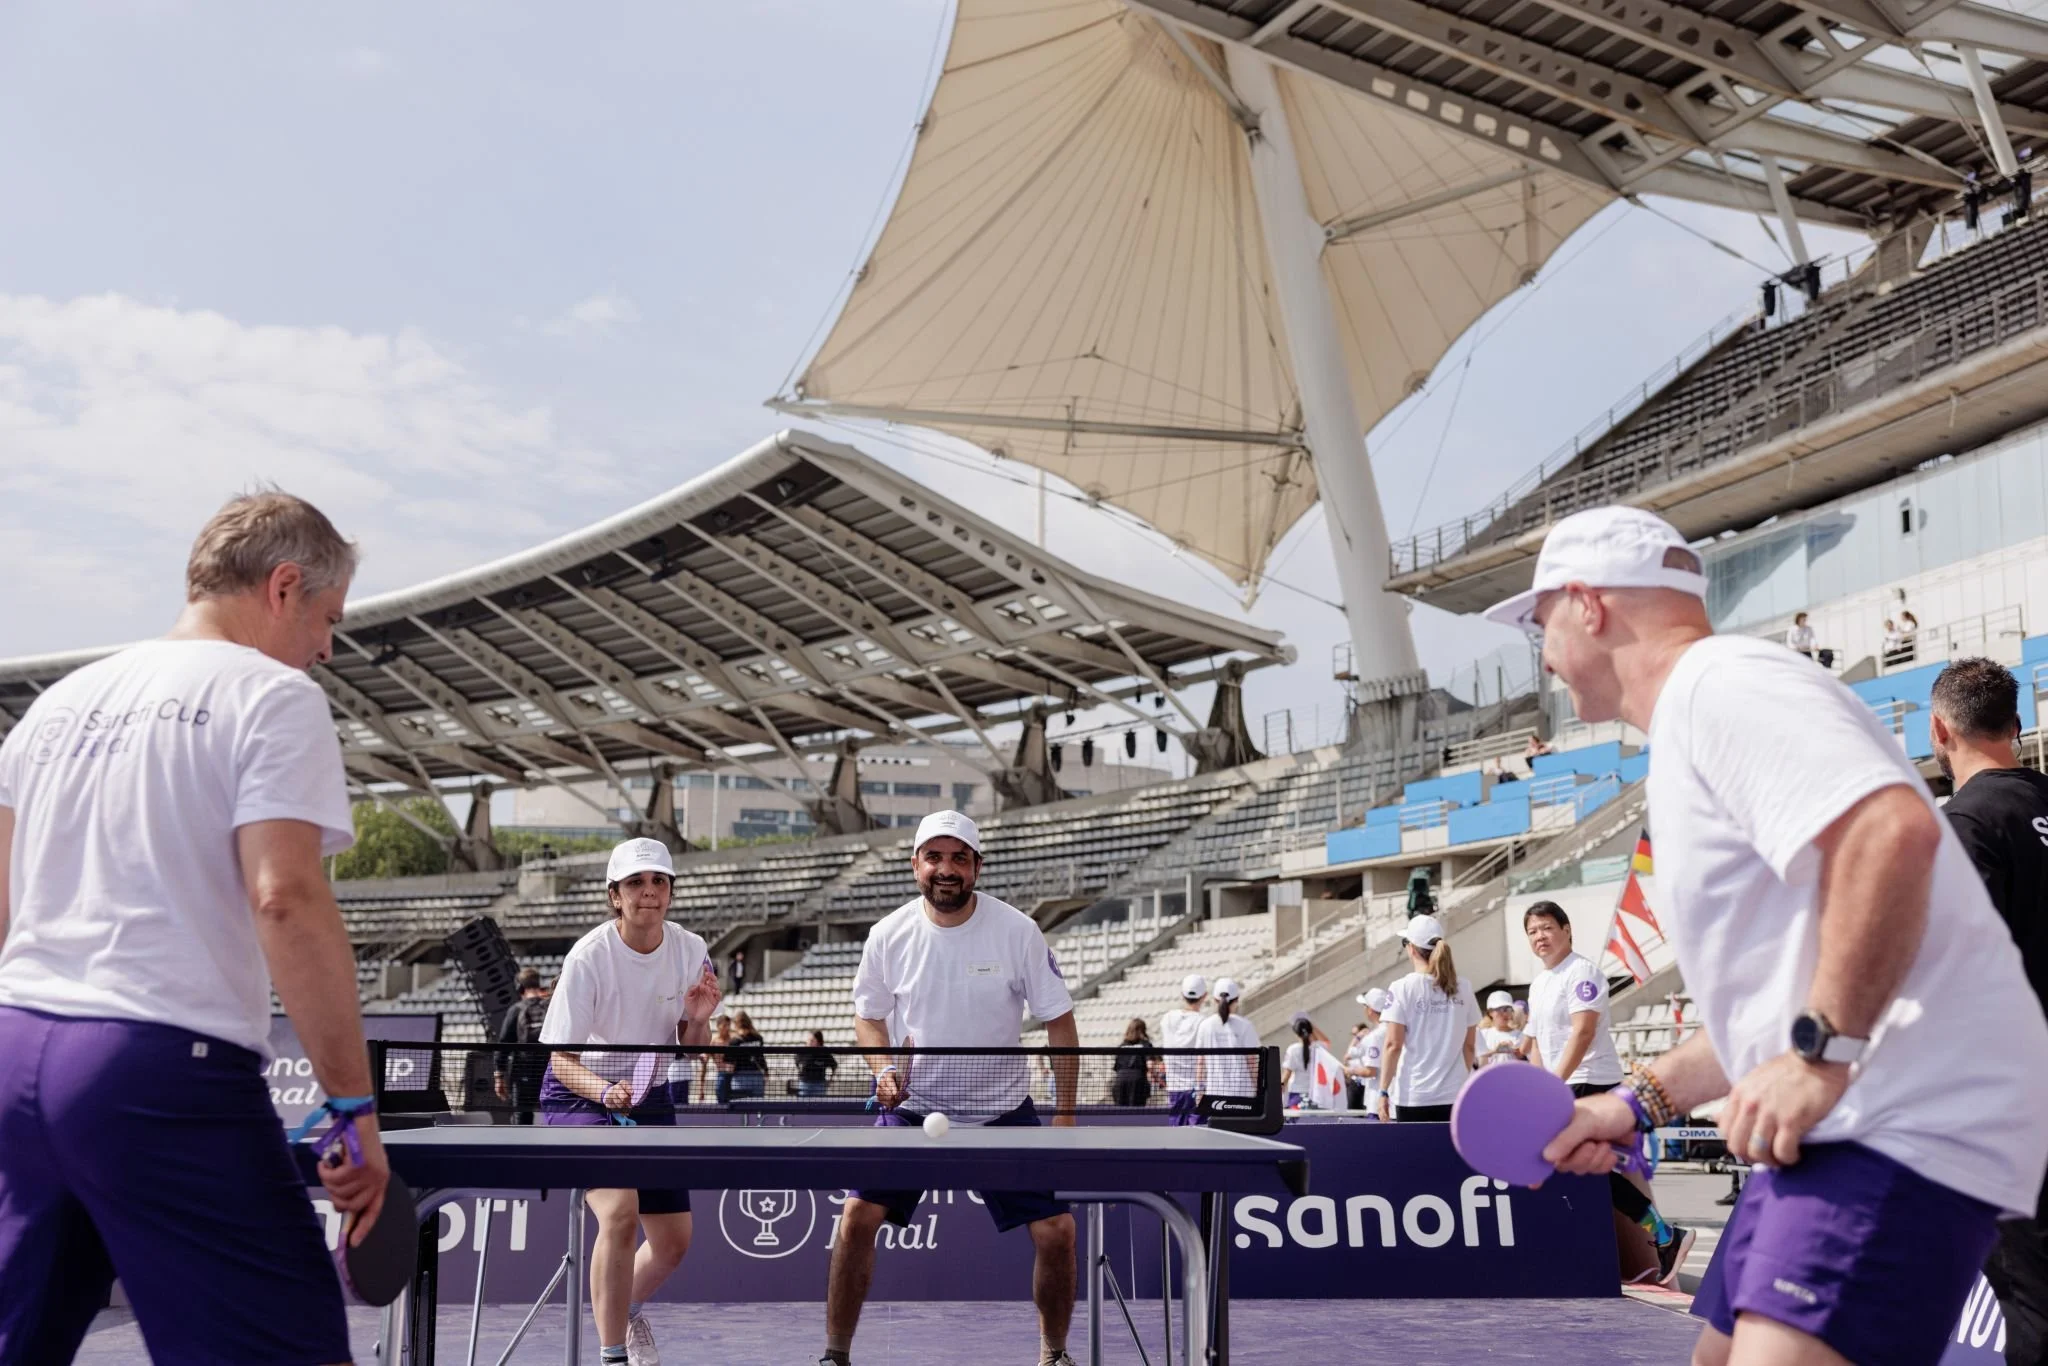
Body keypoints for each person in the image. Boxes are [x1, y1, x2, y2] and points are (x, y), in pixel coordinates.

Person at [1492, 505, 2048, 1366]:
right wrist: (1631, 1105)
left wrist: (1819, 1054)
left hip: (1894, 1120)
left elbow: (1892, 835)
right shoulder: (1701, 713)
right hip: (1847, 1122)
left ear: (1589, 605)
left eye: (1541, 623)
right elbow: (1777, 1001)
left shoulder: (1722, 686)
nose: (1544, 653)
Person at [0, 491, 385, 1364]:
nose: (327, 648)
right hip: (157, 1068)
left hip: (18, 1056)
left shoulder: (57, 705)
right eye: (328, 618)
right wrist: (353, 1109)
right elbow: (285, 898)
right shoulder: (273, 696)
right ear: (283, 588)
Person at [824, 811, 1080, 1366]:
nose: (946, 869)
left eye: (959, 858)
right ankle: (835, 1355)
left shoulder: (1017, 930)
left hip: (1002, 1112)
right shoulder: (888, 934)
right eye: (934, 857)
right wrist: (883, 1071)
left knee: (1057, 1231)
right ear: (915, 864)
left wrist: (1064, 1114)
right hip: (912, 1109)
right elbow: (868, 1017)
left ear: (976, 867)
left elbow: (1059, 1020)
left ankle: (1054, 1354)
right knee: (856, 1219)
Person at [539, 837, 722, 1366]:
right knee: (620, 1212)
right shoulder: (588, 957)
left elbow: (693, 1048)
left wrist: (699, 1021)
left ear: (670, 892)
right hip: (581, 1096)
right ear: (615, 896)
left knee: (673, 1242)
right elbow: (560, 1061)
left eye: (659, 881)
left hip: (649, 1094)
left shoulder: (691, 949)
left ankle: (627, 1311)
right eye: (636, 883)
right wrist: (603, 1091)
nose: (649, 891)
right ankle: (613, 1354)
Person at [1932, 656, 2048, 1365]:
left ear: (1940, 731)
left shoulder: (1965, 823)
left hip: (2015, 1102)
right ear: (2016, 724)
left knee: (2031, 1296)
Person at [1523, 901, 1692, 1286]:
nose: (1539, 937)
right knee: (1581, 1171)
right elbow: (1536, 1044)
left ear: (1567, 930)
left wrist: (1554, 1083)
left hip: (1590, 1080)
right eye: (1532, 932)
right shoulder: (1539, 983)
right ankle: (1659, 1237)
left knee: (1579, 1167)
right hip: (1562, 1085)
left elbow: (1583, 1032)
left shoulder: (1582, 972)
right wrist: (1538, 1087)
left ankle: (1663, 1235)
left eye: (1546, 928)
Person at [1377, 915, 1478, 1121]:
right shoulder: (1464, 987)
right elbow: (1469, 1046)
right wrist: (1457, 1080)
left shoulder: (1402, 987)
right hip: (1454, 1095)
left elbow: (1393, 1045)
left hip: (1414, 1095)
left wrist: (1383, 1091)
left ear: (1411, 948)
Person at [496, 967, 552, 1123]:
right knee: (553, 1114)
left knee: (521, 1117)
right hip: (550, 1072)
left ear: (519, 988)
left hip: (523, 1074)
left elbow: (503, 1044)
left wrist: (499, 1077)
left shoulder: (516, 1010)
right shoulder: (551, 1007)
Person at [1193, 977, 1262, 1103]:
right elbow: (1252, 1063)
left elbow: (1200, 1062)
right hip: (1243, 1094)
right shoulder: (1246, 1025)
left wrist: (1199, 1092)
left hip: (1214, 1096)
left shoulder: (1205, 1026)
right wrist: (1259, 1091)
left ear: (1215, 1000)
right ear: (1237, 1000)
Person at [1157, 974, 1208, 1125]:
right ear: (1204, 996)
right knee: (1199, 1134)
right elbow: (1203, 1060)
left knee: (1176, 1134)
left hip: (1174, 1089)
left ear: (1182, 994)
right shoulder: (1204, 1023)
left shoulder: (1167, 1018)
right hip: (1197, 1089)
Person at [1280, 1012, 1347, 1111]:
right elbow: (1326, 1041)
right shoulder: (1319, 1047)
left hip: (1297, 1093)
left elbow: (1287, 1074)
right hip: (1317, 1094)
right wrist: (1310, 1024)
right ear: (1311, 1031)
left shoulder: (1293, 1049)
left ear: (1296, 1033)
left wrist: (1280, 1088)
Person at [1348, 987, 1392, 1114]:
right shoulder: (1394, 1029)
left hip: (1377, 1101)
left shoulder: (1376, 1035)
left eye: (1365, 1006)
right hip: (1392, 1099)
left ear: (1370, 1010)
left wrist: (1351, 1070)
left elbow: (1370, 1071)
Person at [1112, 1018, 1157, 1108]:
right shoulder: (1146, 1045)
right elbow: (1150, 1065)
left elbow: (1116, 1067)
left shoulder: (1121, 1046)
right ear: (1142, 1030)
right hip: (1138, 1081)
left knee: (1120, 1112)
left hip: (1120, 1080)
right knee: (1137, 1111)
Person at [1475, 989, 1523, 1067]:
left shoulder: (1520, 1035)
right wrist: (1495, 1051)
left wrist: (1516, 1051)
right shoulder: (1483, 1034)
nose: (1505, 1013)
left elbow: (1527, 1059)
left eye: (1508, 1009)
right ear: (1490, 1012)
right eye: (1500, 1009)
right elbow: (1475, 1060)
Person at [727, 1008, 767, 1101]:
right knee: (757, 1106)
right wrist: (766, 1072)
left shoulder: (734, 1041)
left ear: (736, 1023)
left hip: (740, 1078)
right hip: (757, 1076)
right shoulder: (758, 1038)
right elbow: (761, 1058)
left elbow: (730, 1064)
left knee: (740, 1106)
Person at [795, 1029, 838, 1099]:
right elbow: (797, 1064)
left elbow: (834, 1065)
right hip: (804, 1084)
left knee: (819, 1105)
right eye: (808, 1040)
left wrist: (830, 1080)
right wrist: (800, 1075)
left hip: (819, 1085)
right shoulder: (801, 1052)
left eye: (812, 1040)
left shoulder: (825, 1052)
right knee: (802, 1105)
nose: (809, 1042)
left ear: (818, 1041)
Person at [710, 1013, 735, 1107]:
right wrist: (701, 1088)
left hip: (735, 1076)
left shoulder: (734, 1040)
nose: (727, 1028)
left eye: (728, 1025)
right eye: (724, 1025)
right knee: (722, 1105)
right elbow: (704, 1064)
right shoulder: (714, 1042)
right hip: (721, 1076)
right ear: (718, 1026)